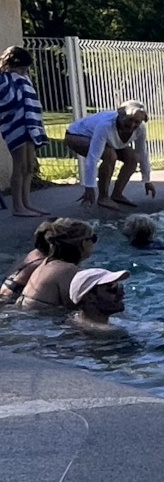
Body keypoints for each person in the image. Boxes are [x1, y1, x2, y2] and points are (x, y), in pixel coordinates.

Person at [66, 103, 155, 210]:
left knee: (133, 157)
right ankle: (103, 197)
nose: (132, 125)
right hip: (77, 135)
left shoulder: (140, 128)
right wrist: (89, 187)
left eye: (137, 122)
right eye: (129, 120)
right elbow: (93, 157)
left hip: (107, 140)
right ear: (120, 117)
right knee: (110, 155)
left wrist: (147, 180)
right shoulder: (105, 126)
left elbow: (142, 153)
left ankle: (117, 194)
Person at [0, 45, 48, 219]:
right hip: (16, 125)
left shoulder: (24, 78)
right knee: (19, 166)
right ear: (12, 64)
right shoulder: (4, 78)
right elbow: (7, 99)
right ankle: (18, 206)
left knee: (29, 166)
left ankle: (27, 203)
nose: (24, 71)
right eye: (21, 68)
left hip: (30, 124)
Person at [18, 218, 98, 311]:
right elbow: (75, 306)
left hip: (23, 314)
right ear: (83, 243)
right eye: (93, 238)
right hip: (35, 320)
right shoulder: (68, 269)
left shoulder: (47, 263)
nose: (94, 243)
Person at [69, 266, 128, 333]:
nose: (121, 293)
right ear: (89, 297)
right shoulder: (75, 336)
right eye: (112, 289)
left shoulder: (117, 323)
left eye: (119, 287)